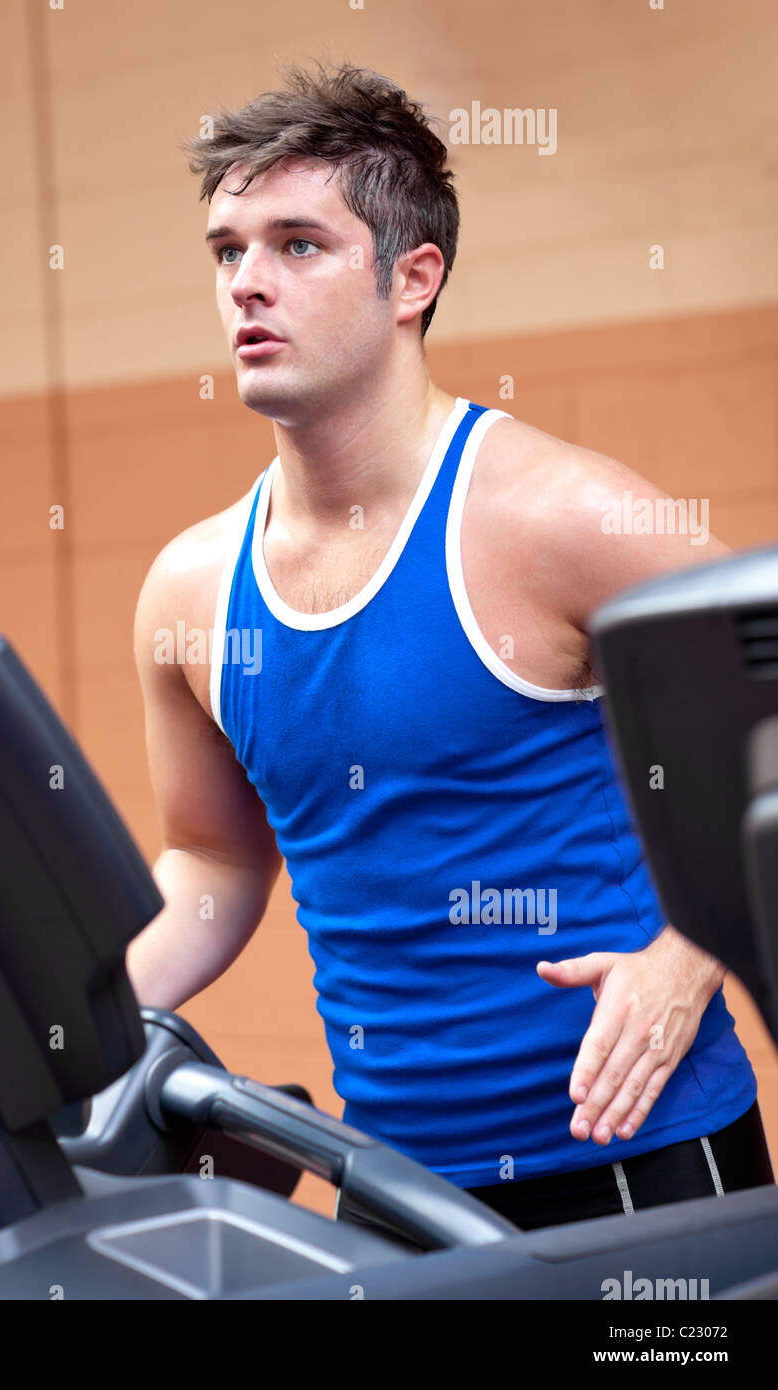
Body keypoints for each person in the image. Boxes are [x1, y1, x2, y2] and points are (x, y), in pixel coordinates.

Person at [124, 61, 774, 1233]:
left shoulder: (561, 516)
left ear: (412, 278)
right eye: (228, 251)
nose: (247, 286)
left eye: (297, 246)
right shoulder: (189, 590)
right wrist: (54, 1028)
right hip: (393, 1188)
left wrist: (692, 953)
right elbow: (212, 869)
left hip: (646, 1164)